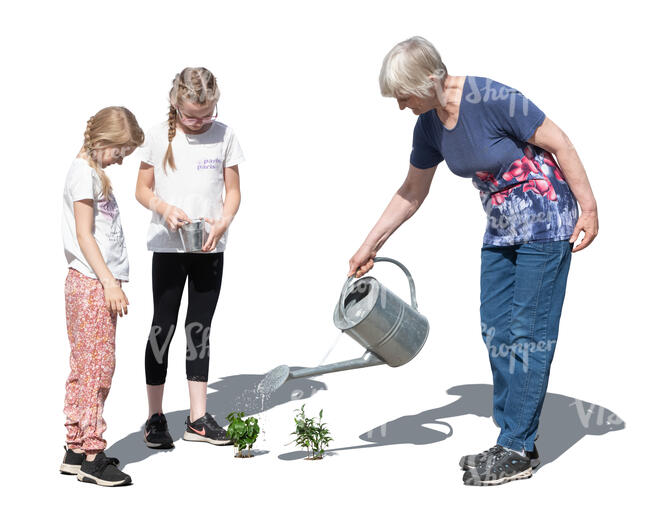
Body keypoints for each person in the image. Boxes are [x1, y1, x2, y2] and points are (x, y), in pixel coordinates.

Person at [347, 36, 598, 486]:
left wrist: (589, 209)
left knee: (527, 331)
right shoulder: (428, 125)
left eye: (403, 95)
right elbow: (412, 191)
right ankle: (513, 437)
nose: (401, 105)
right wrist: (370, 245)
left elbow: (560, 142)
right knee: (496, 327)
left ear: (429, 81)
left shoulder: (492, 98)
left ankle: (518, 446)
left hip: (547, 224)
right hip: (502, 231)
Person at [135, 66, 244, 449]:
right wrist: (163, 209)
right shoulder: (156, 135)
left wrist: (224, 221)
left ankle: (197, 418)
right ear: (174, 105)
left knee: (199, 327)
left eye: (206, 115)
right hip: (168, 246)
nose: (199, 122)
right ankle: (155, 415)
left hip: (209, 246)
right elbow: (142, 189)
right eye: (190, 116)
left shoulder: (225, 135)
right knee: (162, 326)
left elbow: (233, 191)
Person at [61, 106, 144, 486]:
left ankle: (75, 447)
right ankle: (94, 456)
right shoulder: (83, 174)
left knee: (84, 366)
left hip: (89, 283)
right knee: (97, 368)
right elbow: (84, 235)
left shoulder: (91, 173)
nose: (122, 160)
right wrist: (109, 282)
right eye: (119, 151)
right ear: (103, 140)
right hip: (93, 284)